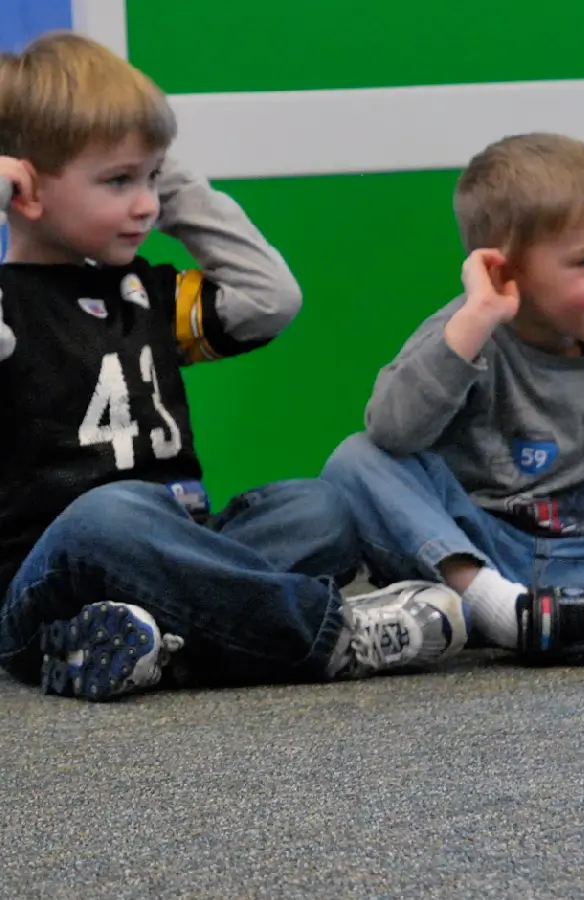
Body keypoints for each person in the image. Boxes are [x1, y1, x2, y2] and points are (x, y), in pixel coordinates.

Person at [0, 32, 468, 701]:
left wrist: (171, 180)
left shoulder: (144, 293)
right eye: (118, 181)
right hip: (51, 575)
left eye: (151, 177)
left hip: (181, 548)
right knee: (110, 514)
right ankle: (332, 636)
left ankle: (146, 646)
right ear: (28, 192)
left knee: (323, 510)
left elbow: (269, 300)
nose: (146, 204)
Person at [324, 132, 584, 664]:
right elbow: (393, 431)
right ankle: (500, 612)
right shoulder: (465, 332)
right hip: (494, 553)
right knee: (358, 459)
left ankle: (569, 618)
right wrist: (473, 323)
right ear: (503, 269)